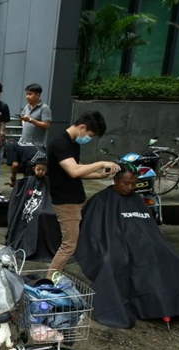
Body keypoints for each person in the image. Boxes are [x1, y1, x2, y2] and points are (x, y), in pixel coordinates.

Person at [76, 164, 179, 328]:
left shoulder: (137, 200)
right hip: (116, 245)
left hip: (146, 245)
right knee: (116, 262)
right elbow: (94, 233)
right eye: (126, 183)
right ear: (115, 180)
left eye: (134, 184)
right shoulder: (100, 200)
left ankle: (172, 306)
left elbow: (150, 230)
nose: (129, 188)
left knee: (177, 263)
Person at [46, 111, 117, 276]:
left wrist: (100, 175)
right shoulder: (60, 143)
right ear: (82, 127)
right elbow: (74, 171)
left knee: (72, 243)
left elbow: (79, 169)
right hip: (66, 202)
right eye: (90, 135)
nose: (89, 139)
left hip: (75, 198)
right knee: (69, 245)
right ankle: (48, 283)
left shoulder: (72, 143)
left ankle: (55, 277)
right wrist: (100, 163)